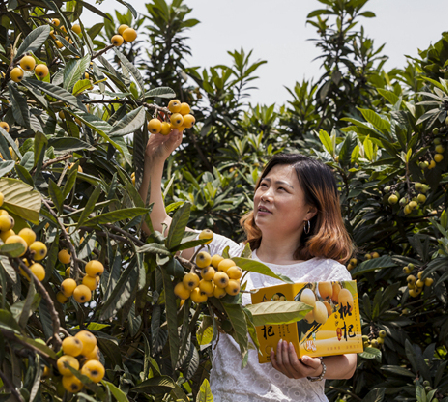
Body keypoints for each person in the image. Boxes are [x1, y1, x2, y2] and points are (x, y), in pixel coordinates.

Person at [138, 129, 358, 402]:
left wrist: (315, 369)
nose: (265, 195)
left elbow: (348, 362)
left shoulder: (328, 272)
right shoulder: (224, 255)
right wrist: (154, 159)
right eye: (264, 185)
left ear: (310, 210)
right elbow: (155, 228)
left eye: (281, 189)